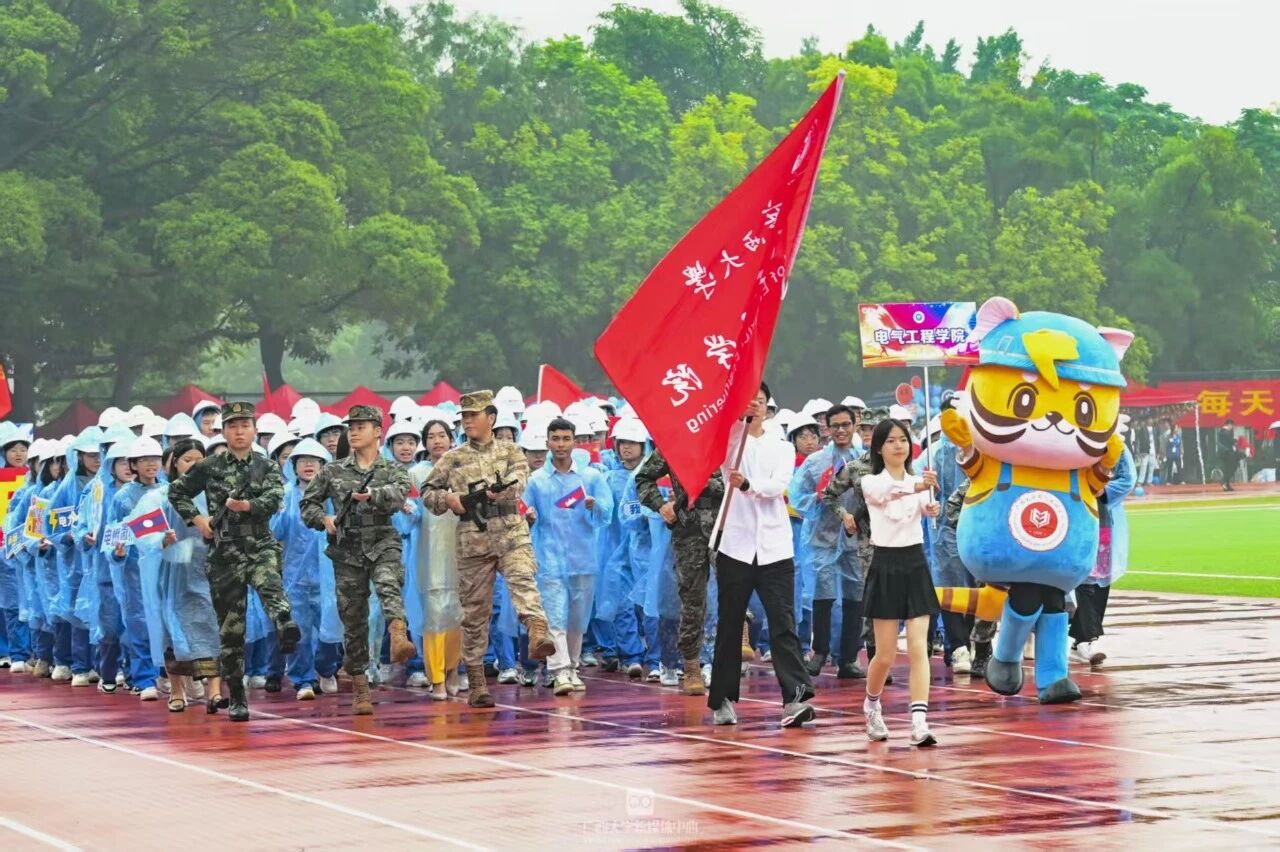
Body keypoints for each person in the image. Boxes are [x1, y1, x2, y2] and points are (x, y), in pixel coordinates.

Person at [167, 402, 302, 722]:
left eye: (245, 425)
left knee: (270, 584)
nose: (239, 432)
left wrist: (247, 506)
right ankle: (238, 696)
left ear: (254, 430)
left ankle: (284, 623)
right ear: (224, 431)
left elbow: (274, 499)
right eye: (232, 426)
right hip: (224, 551)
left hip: (259, 542)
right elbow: (177, 492)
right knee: (231, 629)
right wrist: (199, 520)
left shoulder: (266, 466)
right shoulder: (209, 466)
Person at [423, 390, 557, 708]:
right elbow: (428, 491)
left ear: (491, 418)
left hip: (511, 531)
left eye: (474, 415)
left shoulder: (511, 451)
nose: (468, 421)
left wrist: (504, 491)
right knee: (475, 612)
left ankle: (538, 631)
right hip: (473, 538)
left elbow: (520, 479)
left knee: (523, 579)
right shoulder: (453, 458)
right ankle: (477, 682)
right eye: (465, 416)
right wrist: (448, 499)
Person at [709, 383, 817, 729]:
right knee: (730, 623)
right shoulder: (729, 440)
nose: (754, 403)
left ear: (768, 404)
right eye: (748, 398)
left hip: (774, 547)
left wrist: (748, 485)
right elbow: (724, 466)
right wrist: (735, 425)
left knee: (783, 622)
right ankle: (722, 699)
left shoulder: (781, 446)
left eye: (759, 398)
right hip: (735, 545)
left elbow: (778, 485)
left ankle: (795, 698)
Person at [299, 405, 414, 716]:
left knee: (389, 584)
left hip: (382, 540)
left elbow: (399, 494)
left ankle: (398, 634)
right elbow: (307, 504)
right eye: (351, 427)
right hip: (346, 549)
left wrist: (373, 495)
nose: (353, 431)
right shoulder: (333, 470)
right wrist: (324, 519)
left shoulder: (392, 468)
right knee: (353, 618)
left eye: (361, 426)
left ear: (378, 431)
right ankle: (361, 684)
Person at [859, 418, 941, 748]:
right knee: (886, 655)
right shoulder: (870, 481)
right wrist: (919, 488)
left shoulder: (919, 481)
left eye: (903, 440)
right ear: (879, 448)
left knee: (919, 648)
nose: (898, 446)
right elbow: (886, 495)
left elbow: (925, 507)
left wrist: (931, 505)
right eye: (891, 440)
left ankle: (919, 722)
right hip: (886, 565)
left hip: (915, 563)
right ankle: (871, 704)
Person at [524, 417, 613, 695]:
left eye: (566, 439)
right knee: (554, 617)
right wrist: (529, 517)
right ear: (547, 442)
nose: (560, 445)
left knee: (577, 619)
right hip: (548, 559)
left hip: (583, 558)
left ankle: (572, 667)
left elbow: (608, 513)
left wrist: (595, 505)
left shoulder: (591, 477)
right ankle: (559, 670)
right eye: (555, 439)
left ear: (574, 442)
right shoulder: (536, 481)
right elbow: (522, 514)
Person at [634, 435, 725, 696]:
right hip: (689, 528)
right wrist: (661, 506)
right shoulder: (676, 443)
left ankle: (729, 654)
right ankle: (692, 664)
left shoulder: (729, 441)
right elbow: (643, 479)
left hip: (727, 525)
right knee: (692, 598)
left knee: (735, 589)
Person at [137, 439, 223, 712]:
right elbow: (142, 532)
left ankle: (215, 692)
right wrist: (161, 540)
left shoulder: (216, 494)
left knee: (212, 627)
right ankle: (176, 690)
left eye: (199, 459)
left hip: (208, 571)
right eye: (187, 460)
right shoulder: (157, 498)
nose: (194, 465)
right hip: (172, 575)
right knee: (172, 630)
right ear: (174, 464)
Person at [790, 404, 865, 677]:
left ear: (855, 425)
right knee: (823, 594)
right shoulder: (815, 462)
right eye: (836, 426)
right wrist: (819, 497)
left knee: (856, 595)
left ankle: (849, 658)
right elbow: (797, 496)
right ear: (827, 428)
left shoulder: (865, 461)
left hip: (856, 537)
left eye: (846, 424)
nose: (841, 430)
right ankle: (819, 651)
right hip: (823, 535)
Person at [270, 438, 339, 701]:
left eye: (314, 461)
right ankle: (303, 680)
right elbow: (275, 532)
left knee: (331, 628)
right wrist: (278, 512)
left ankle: (326, 668)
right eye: (303, 461)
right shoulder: (285, 494)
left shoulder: (332, 495)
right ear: (293, 466)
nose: (309, 465)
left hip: (328, 575)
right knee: (298, 631)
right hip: (295, 577)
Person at [407, 420, 465, 701]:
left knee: (458, 613)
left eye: (442, 435)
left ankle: (453, 669)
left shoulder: (463, 470)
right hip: (428, 553)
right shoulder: (416, 474)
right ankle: (437, 677)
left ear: (451, 439)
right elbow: (411, 515)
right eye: (431, 436)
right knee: (434, 616)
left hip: (460, 549)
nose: (437, 441)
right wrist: (407, 510)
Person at [106, 437, 165, 701]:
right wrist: (117, 553)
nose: (151, 464)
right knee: (139, 622)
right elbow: (112, 534)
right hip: (135, 569)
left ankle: (167, 673)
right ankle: (144, 678)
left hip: (164, 566)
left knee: (165, 619)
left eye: (155, 459)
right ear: (134, 464)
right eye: (144, 460)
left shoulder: (169, 490)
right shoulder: (122, 498)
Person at [1072, 446, 1135, 665]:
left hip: (1102, 518)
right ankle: (1085, 639)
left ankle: (1083, 640)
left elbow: (1128, 478)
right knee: (1081, 577)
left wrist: (1102, 491)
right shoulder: (1071, 440)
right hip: (1073, 513)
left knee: (1098, 579)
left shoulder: (1115, 445)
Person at [1218, 419, 1240, 491]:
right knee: (1230, 468)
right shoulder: (1225, 432)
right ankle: (1224, 481)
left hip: (1225, 453)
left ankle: (1227, 485)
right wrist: (1236, 438)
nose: (1232, 427)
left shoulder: (1223, 431)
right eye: (1232, 426)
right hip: (1227, 453)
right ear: (1229, 424)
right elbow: (1232, 441)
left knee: (1227, 469)